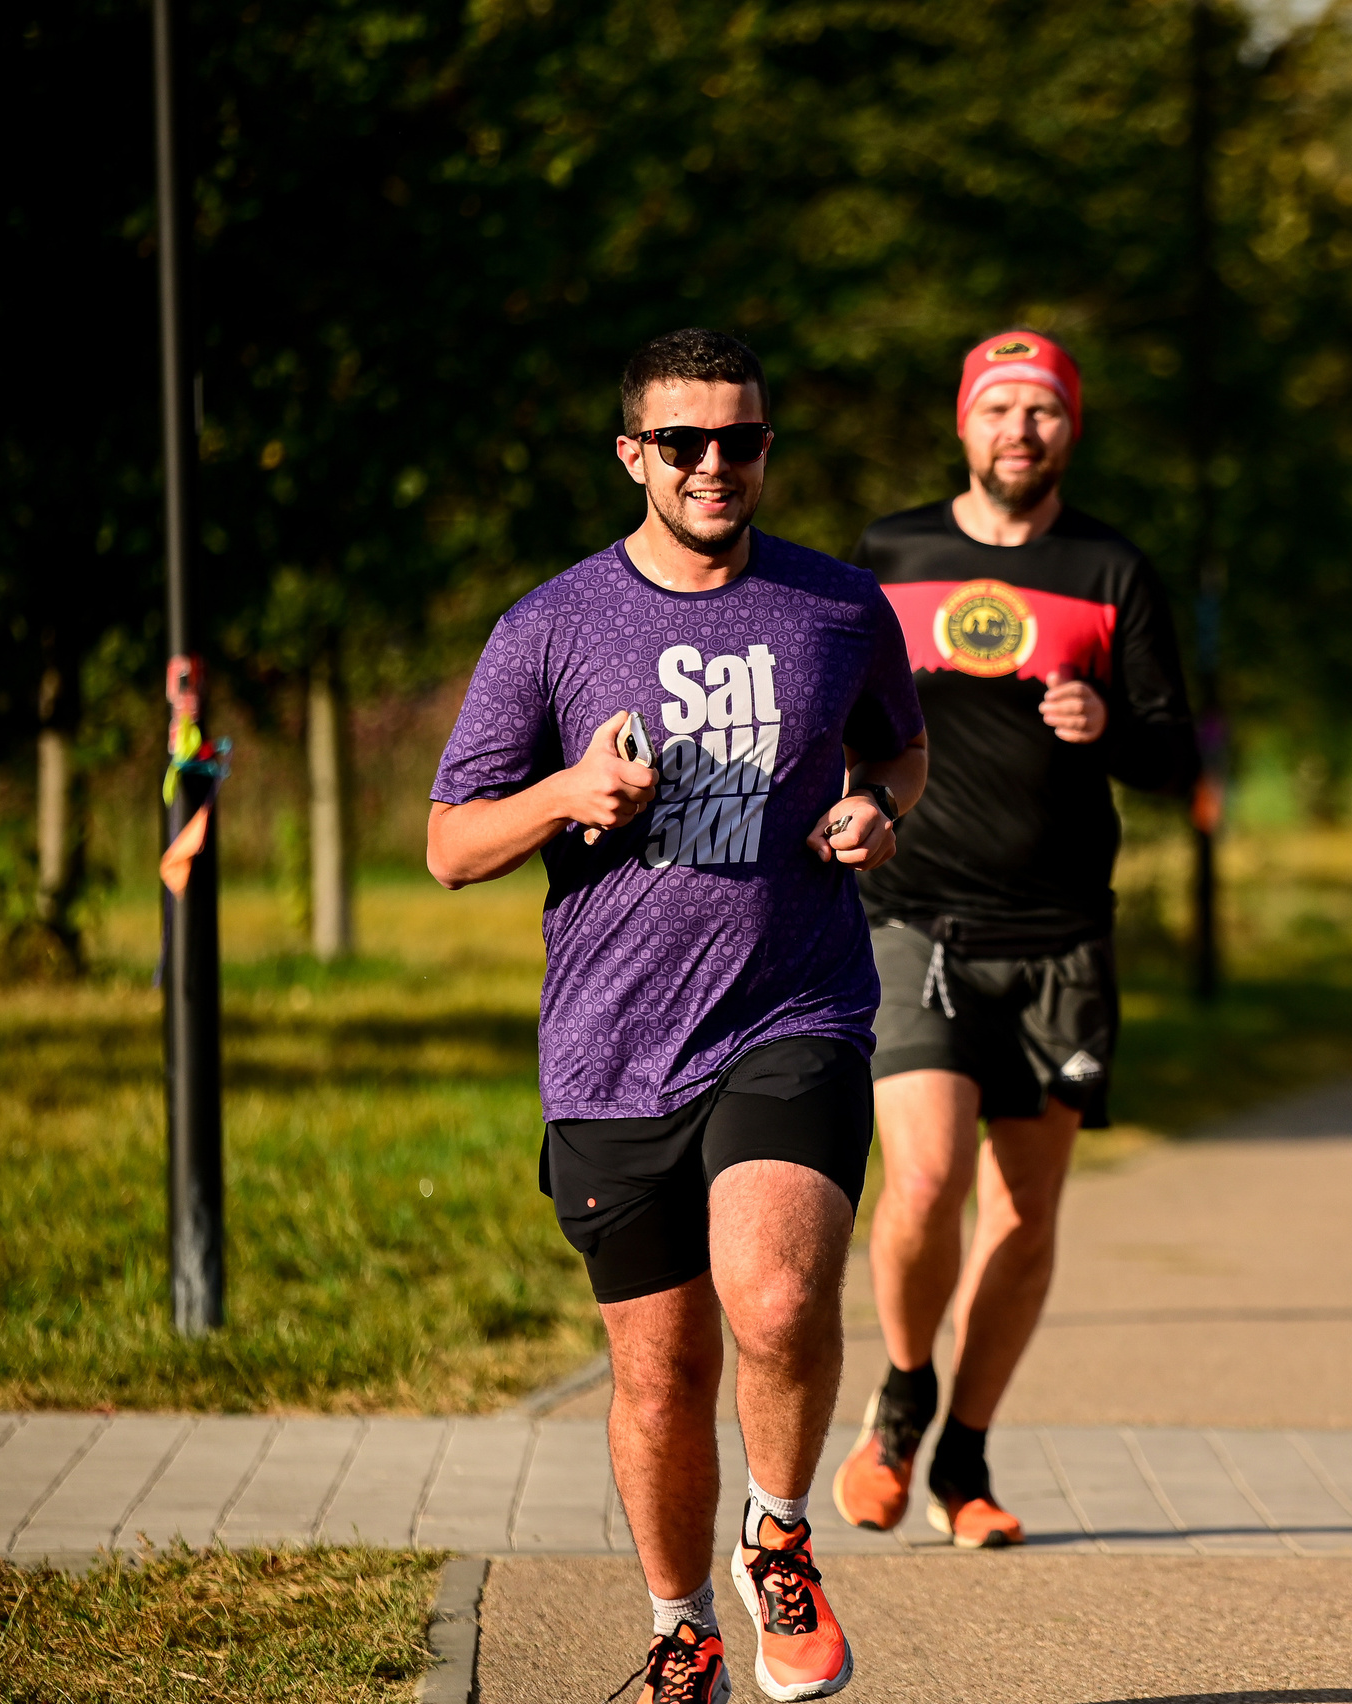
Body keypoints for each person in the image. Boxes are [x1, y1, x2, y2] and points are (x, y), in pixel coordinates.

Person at [427, 329, 928, 1704]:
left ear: (768, 448)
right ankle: (682, 1628)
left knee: (775, 1297)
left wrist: (880, 808)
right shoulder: (550, 627)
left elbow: (900, 742)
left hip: (794, 1004)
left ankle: (778, 1535)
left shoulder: (837, 608)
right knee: (659, 1374)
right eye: (688, 443)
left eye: (744, 441)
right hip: (609, 1046)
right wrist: (564, 798)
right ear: (633, 454)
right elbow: (451, 845)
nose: (719, 466)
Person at [831, 330, 1198, 1548]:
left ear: (1069, 429)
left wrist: (1107, 726)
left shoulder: (1110, 568)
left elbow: (1175, 756)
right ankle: (900, 1397)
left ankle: (966, 1461)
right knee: (925, 1179)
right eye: (1000, 409)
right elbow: (823, 712)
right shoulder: (885, 555)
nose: (1020, 431)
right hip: (913, 916)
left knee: (1025, 1215)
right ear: (964, 425)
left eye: (1043, 410)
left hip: (1059, 936)